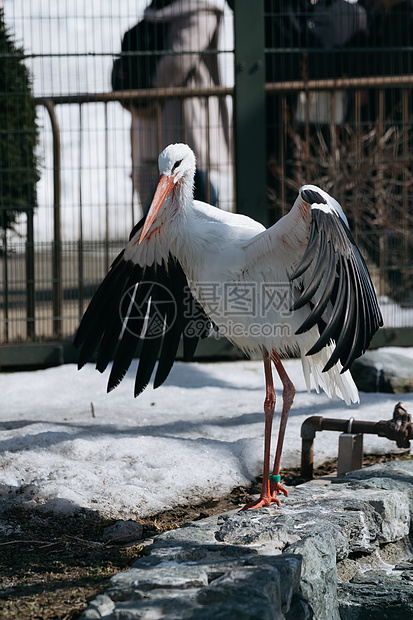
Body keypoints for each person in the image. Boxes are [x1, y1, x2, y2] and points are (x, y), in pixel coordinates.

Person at [122, 0, 234, 217]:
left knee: (189, 184)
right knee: (187, 190)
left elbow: (177, 61)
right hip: (178, 116)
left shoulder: (178, 10)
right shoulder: (196, 10)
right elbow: (175, 63)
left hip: (175, 116)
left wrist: (145, 90)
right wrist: (152, 87)